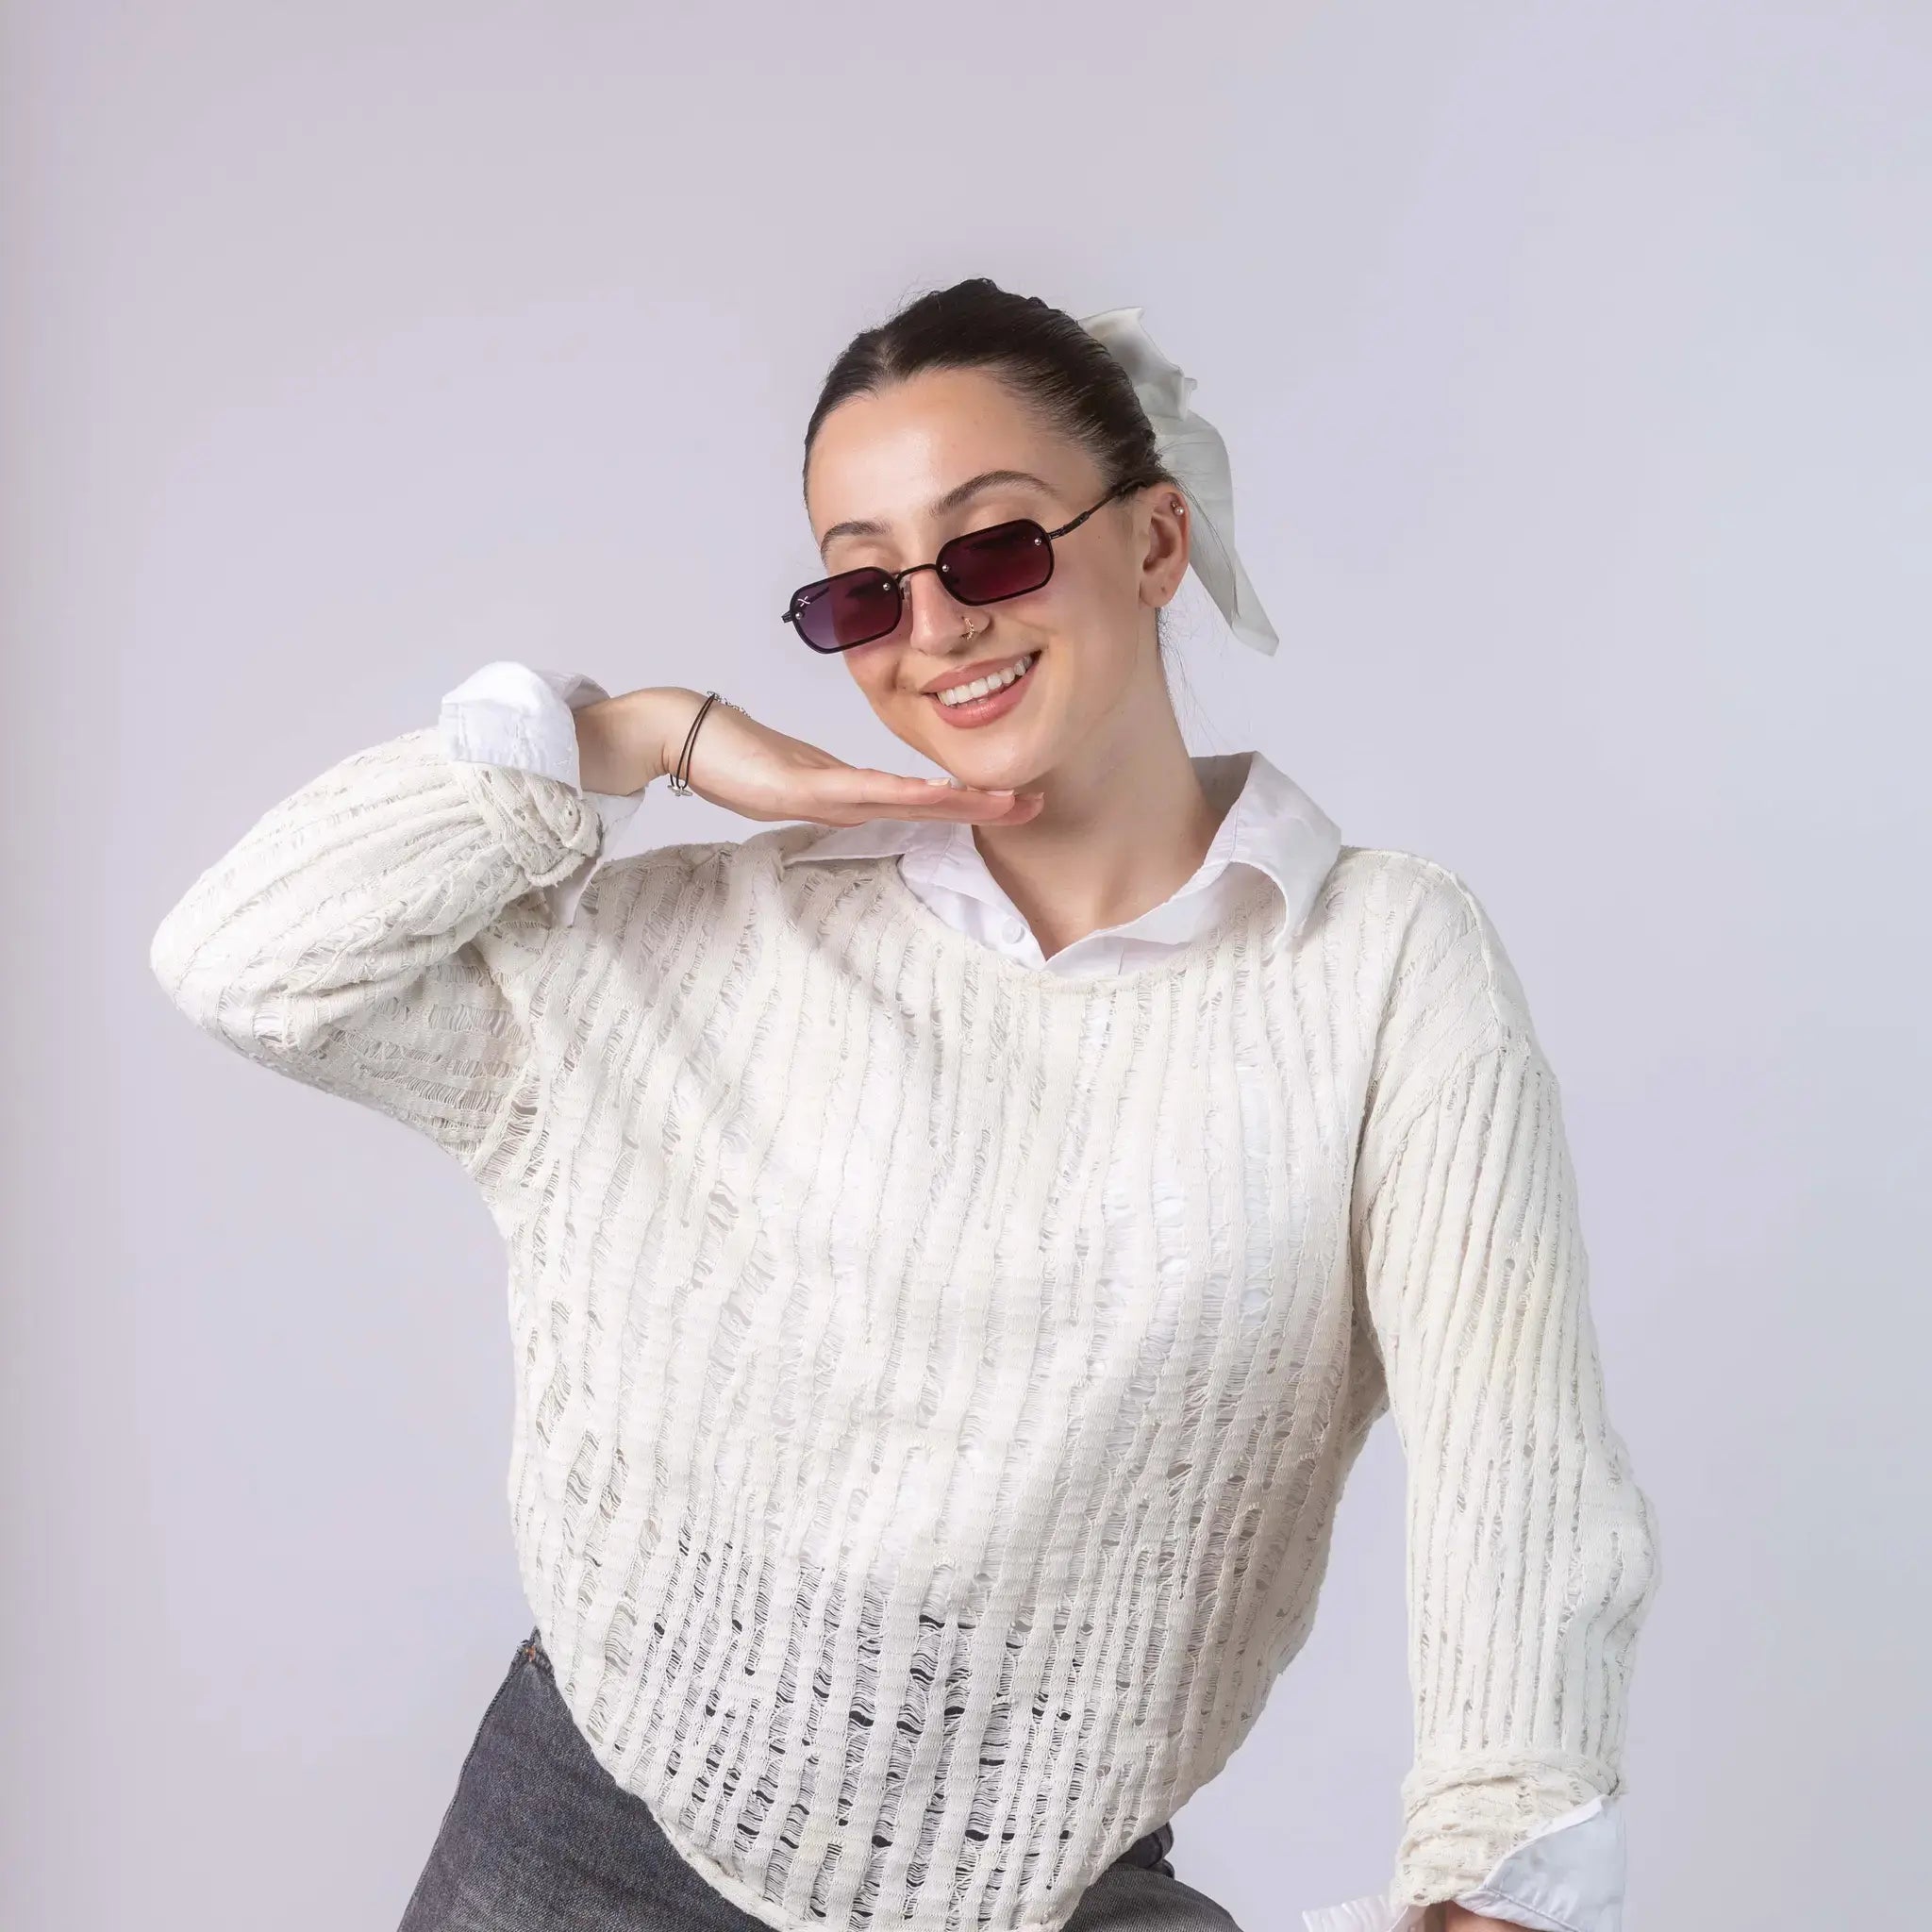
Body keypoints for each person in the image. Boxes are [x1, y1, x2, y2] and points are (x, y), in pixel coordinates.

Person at [148, 277, 1661, 1932]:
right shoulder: (729, 938)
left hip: (1051, 1886)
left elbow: (1515, 1476)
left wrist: (1488, 1888)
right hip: (590, 1849)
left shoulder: (1382, 969)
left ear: (1155, 544)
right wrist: (629, 737)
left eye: (996, 546)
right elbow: (248, 964)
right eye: (862, 591)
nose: (935, 625)